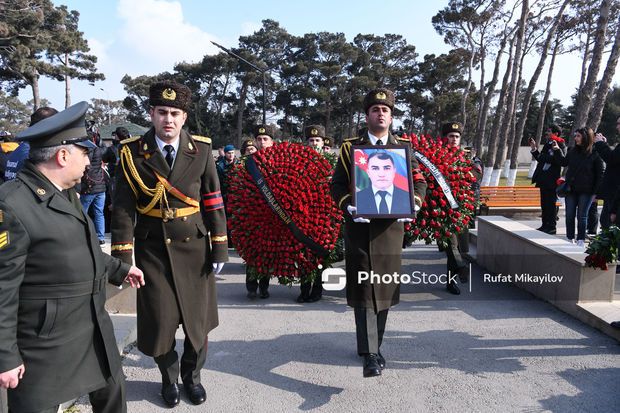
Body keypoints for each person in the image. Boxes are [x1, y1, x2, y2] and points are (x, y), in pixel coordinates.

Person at [0, 101, 144, 413]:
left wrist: (119, 269)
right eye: (84, 151)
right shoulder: (13, 204)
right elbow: (3, 289)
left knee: (112, 398)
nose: (90, 160)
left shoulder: (64, 192)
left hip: (91, 327)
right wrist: (5, 357)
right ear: (62, 156)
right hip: (45, 343)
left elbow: (81, 249)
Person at [111, 80, 228, 407]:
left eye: (175, 113)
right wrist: (123, 259)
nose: (168, 119)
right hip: (153, 253)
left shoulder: (201, 150)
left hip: (195, 250)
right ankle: (168, 378)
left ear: (184, 117)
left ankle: (193, 377)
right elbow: (122, 209)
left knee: (197, 323)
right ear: (151, 113)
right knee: (160, 323)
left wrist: (219, 246)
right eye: (162, 112)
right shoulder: (132, 153)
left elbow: (214, 201)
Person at [331, 88, 427, 377]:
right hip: (359, 231)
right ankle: (371, 353)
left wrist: (415, 204)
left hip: (389, 231)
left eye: (385, 110)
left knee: (383, 290)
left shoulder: (403, 148)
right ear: (367, 115)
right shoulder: (350, 148)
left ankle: (371, 344)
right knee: (365, 289)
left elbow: (418, 181)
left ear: (392, 116)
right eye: (375, 109)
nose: (380, 113)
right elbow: (336, 185)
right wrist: (349, 205)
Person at [440, 122, 483, 295]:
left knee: (459, 247)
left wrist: (463, 173)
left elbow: (478, 175)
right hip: (442, 208)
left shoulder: (468, 156)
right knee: (451, 243)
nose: (454, 139)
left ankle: (451, 281)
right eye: (451, 136)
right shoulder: (437, 155)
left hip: (462, 208)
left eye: (456, 137)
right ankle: (461, 267)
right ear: (445, 138)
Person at [554, 127, 604, 247]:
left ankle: (580, 240)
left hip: (587, 191)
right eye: (575, 135)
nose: (575, 138)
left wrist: (596, 193)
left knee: (582, 216)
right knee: (570, 215)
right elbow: (564, 162)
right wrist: (557, 150)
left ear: (586, 137)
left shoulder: (595, 153)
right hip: (571, 189)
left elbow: (600, 174)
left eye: (578, 136)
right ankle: (569, 237)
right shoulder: (572, 150)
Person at [245, 124, 276, 299]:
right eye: (259, 139)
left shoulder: (279, 161)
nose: (262, 142)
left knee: (267, 252)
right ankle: (251, 285)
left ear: (272, 142)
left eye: (265, 139)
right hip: (252, 213)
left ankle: (264, 285)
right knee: (252, 250)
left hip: (271, 213)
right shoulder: (249, 162)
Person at [529, 124, 566, 235]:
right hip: (543, 179)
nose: (547, 133)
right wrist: (534, 148)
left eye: (549, 131)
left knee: (550, 204)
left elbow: (558, 160)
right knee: (544, 204)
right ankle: (545, 225)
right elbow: (541, 159)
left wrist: (545, 158)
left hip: (551, 180)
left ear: (556, 133)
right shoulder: (547, 144)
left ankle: (551, 226)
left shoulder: (560, 144)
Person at [356, 151, 412, 215]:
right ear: (368, 172)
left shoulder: (406, 197)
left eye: (386, 168)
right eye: (375, 168)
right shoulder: (358, 198)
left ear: (394, 171)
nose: (381, 174)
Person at [80, 129, 108, 245]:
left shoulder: (89, 150)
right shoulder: (99, 149)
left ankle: (82, 235)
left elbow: (86, 165)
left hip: (89, 187)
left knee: (82, 212)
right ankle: (101, 237)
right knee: (99, 213)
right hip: (101, 186)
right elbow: (105, 148)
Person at [593, 116, 620, 230]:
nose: (617, 127)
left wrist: (600, 144)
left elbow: (612, 159)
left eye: (619, 124)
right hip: (613, 191)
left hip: (616, 191)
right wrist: (604, 144)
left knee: (608, 223)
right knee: (605, 221)